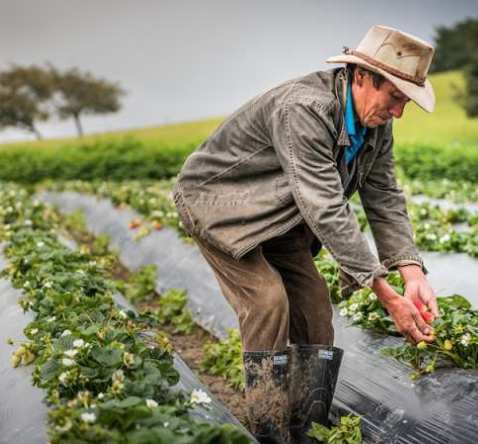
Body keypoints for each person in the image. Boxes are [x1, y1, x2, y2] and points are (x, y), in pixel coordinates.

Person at [173, 25, 440, 444]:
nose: (398, 112)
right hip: (219, 207)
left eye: (405, 101)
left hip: (282, 215)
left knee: (315, 307)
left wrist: (412, 274)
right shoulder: (304, 108)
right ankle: (269, 430)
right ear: (363, 77)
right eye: (394, 97)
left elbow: (384, 195)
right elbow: (326, 205)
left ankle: (305, 427)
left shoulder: (375, 126)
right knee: (267, 300)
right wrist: (384, 292)